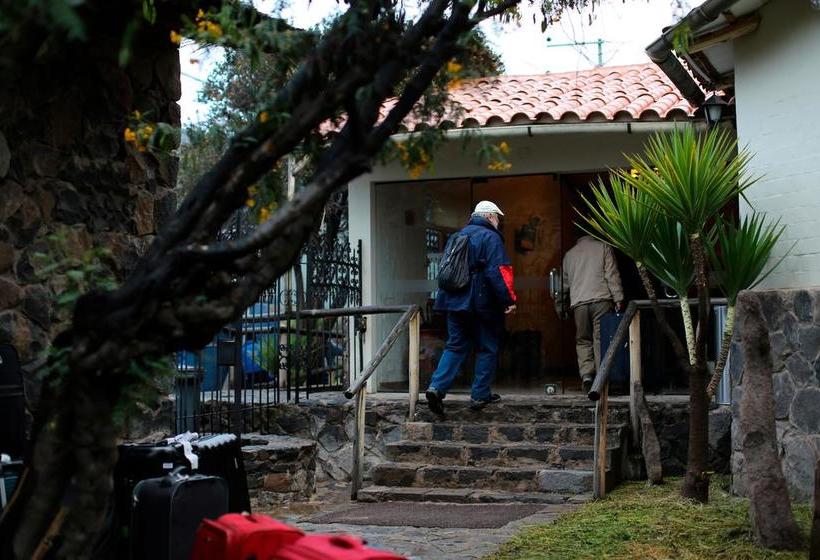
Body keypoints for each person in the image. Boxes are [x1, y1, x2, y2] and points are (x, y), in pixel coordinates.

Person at [425, 201, 517, 414]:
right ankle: (480, 395)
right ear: (490, 217)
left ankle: (436, 388)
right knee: (487, 347)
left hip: (454, 302)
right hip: (482, 303)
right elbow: (499, 272)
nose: (498, 222)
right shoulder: (491, 237)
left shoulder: (457, 236)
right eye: (497, 218)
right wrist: (508, 300)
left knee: (455, 346)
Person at [561, 226, 624, 393]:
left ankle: (587, 375)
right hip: (601, 300)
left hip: (579, 303)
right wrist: (618, 298)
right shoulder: (603, 247)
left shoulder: (569, 255)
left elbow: (564, 285)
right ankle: (601, 378)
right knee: (600, 339)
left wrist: (561, 307)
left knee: (583, 339)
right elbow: (611, 275)